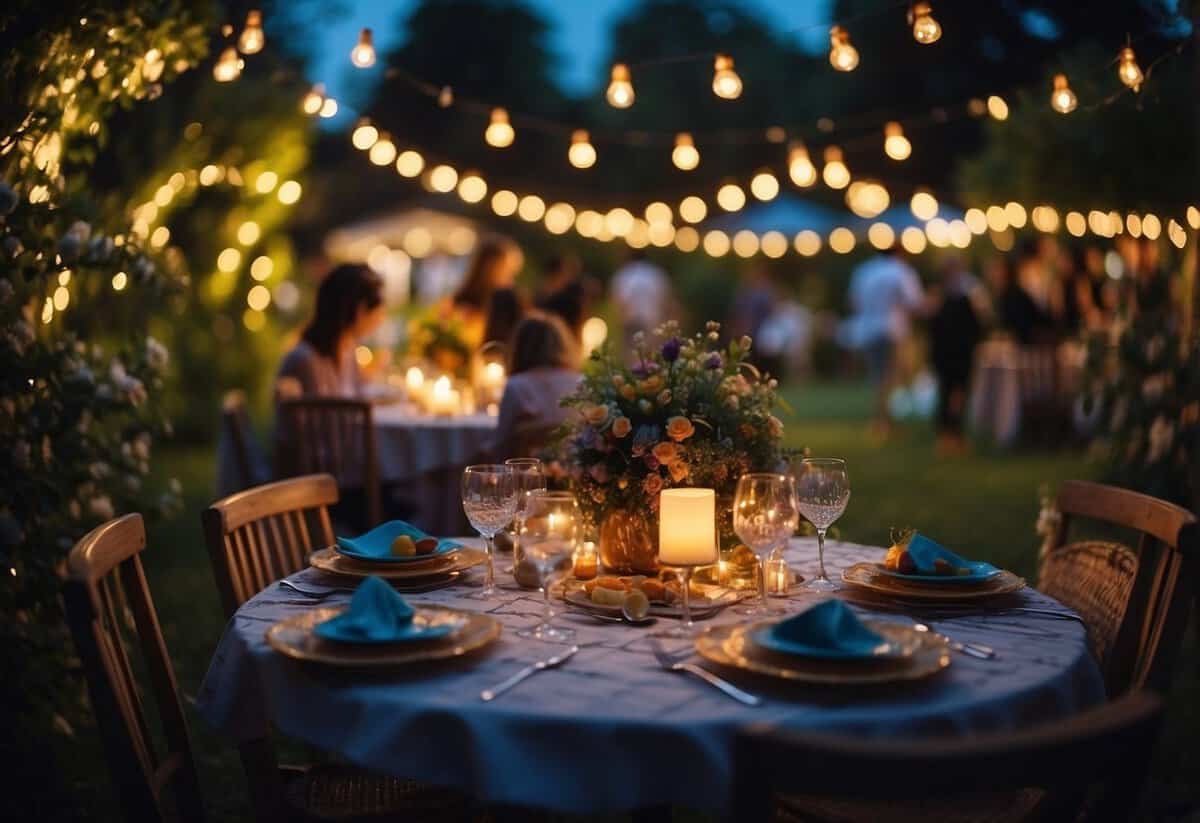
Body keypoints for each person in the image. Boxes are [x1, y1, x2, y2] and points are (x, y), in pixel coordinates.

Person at [842, 245, 925, 436]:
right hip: (891, 330)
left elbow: (853, 301)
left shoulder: (863, 270)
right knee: (889, 376)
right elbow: (914, 302)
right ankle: (883, 422)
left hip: (867, 330)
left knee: (878, 376)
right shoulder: (900, 271)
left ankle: (883, 420)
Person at [275, 263, 384, 399]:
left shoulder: (346, 349)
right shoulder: (305, 360)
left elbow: (355, 396)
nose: (380, 320)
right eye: (378, 313)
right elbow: (324, 416)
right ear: (359, 310)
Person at [485, 312, 581, 461]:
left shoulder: (516, 386)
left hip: (525, 476)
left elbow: (500, 445)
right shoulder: (581, 382)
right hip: (574, 473)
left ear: (520, 347)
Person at [929, 256, 984, 455]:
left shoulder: (941, 298)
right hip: (954, 355)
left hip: (953, 354)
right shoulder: (960, 299)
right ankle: (949, 435)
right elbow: (977, 327)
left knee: (952, 394)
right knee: (950, 394)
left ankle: (953, 435)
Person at [445, 235, 523, 350]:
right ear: (486, 267)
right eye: (505, 270)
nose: (510, 280)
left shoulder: (512, 305)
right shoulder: (459, 304)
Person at [610, 250, 672, 356]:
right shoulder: (656, 274)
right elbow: (665, 301)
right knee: (650, 356)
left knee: (631, 356)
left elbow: (620, 301)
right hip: (652, 322)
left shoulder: (624, 274)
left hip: (631, 322)